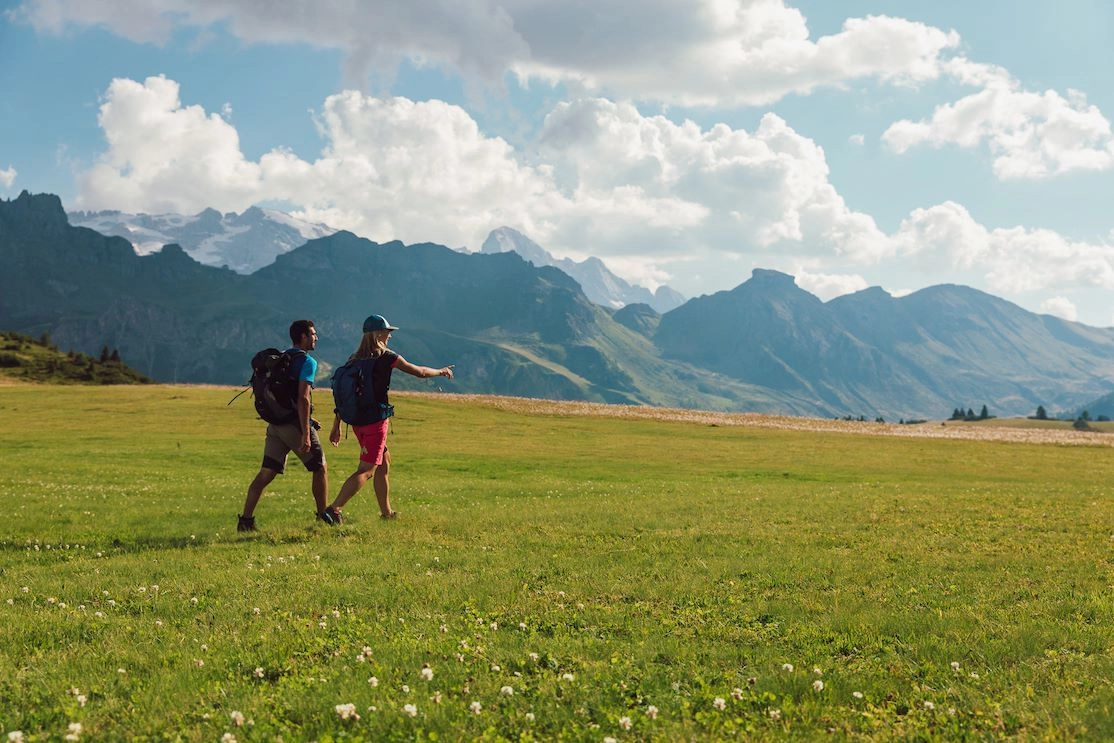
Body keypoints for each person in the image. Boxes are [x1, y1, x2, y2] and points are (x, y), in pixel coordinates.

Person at [323, 314, 453, 523]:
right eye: (388, 332)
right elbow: (419, 372)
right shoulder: (387, 357)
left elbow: (343, 395)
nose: (390, 336)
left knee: (384, 461)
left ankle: (387, 513)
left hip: (357, 422)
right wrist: (440, 371)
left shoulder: (354, 359)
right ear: (379, 334)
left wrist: (336, 424)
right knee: (367, 470)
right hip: (375, 421)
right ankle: (333, 509)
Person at [238, 319, 331, 531]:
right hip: (293, 426)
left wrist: (309, 419)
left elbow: (285, 395)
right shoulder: (308, 362)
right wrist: (306, 433)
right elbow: (303, 398)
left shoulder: (281, 357)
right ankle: (323, 517)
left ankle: (245, 521)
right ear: (303, 337)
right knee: (320, 467)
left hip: (275, 425)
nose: (316, 337)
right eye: (313, 334)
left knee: (266, 473)